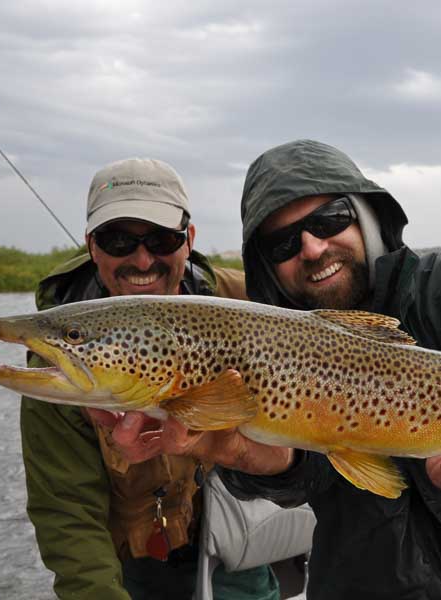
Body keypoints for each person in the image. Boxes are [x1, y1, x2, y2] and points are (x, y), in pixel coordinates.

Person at [152, 140, 441, 599]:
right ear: (265, 265)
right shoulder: (269, 343)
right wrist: (261, 460)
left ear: (365, 214)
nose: (312, 247)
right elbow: (305, 472)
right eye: (282, 242)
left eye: (328, 220)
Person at [19, 158, 280, 600]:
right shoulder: (64, 361)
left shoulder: (251, 301)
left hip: (243, 534)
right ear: (92, 246)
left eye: (161, 239)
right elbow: (67, 514)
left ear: (189, 240)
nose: (142, 260)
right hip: (138, 563)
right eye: (118, 240)